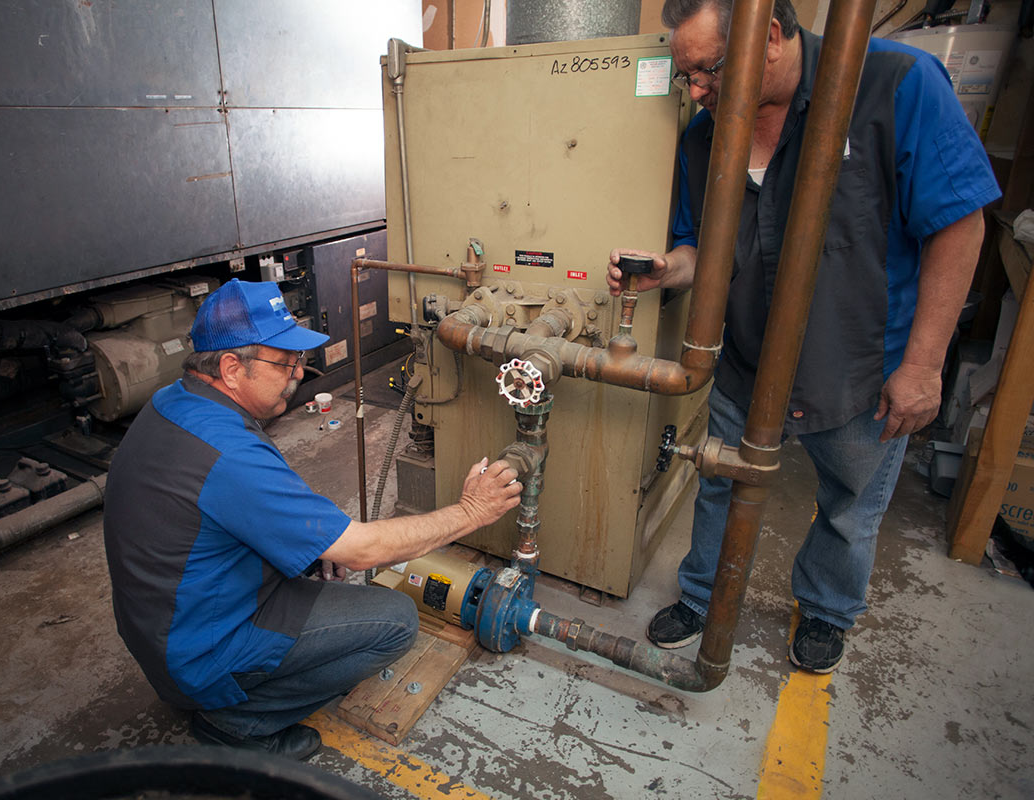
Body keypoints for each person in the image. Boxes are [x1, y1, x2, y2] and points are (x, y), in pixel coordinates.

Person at [607, 0, 1000, 673]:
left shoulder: (895, 84)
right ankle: (703, 597)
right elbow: (702, 243)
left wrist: (925, 366)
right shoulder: (706, 137)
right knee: (721, 488)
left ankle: (824, 610)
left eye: (710, 71)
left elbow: (960, 226)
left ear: (771, 35)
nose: (698, 93)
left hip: (861, 370)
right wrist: (668, 269)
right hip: (746, 358)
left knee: (848, 507)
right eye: (689, 78)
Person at [103, 279, 521, 760]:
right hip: (200, 654)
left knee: (325, 570)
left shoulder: (174, 403)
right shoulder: (230, 456)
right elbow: (365, 550)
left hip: (165, 630)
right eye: (284, 362)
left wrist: (307, 555)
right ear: (231, 367)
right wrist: (471, 511)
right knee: (395, 622)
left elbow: (211, 524)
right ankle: (238, 722)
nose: (299, 373)